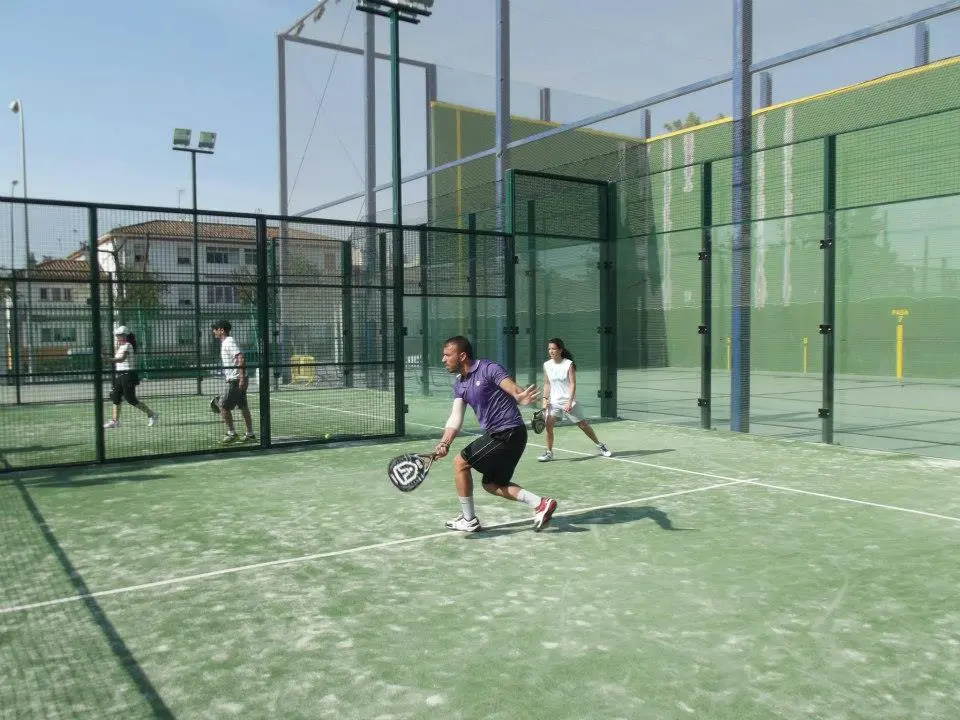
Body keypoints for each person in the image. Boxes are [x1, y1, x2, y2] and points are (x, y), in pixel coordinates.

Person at [433, 335, 558, 533]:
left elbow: (512, 388)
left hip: (506, 432)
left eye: (447, 355)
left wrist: (519, 395)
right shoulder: (460, 384)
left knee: (460, 463)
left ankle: (469, 520)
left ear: (462, 356)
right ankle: (541, 504)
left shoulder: (488, 369)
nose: (443, 359)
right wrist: (444, 442)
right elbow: (455, 418)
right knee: (492, 484)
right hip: (508, 435)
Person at [537, 337, 612, 462]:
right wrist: (545, 399)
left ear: (560, 350)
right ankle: (549, 452)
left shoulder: (568, 364)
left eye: (554, 349)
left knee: (583, 425)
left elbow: (572, 384)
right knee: (548, 425)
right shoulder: (547, 365)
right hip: (554, 402)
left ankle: (600, 445)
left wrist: (569, 401)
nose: (551, 351)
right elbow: (547, 384)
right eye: (549, 349)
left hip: (568, 401)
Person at [103, 326, 158, 429]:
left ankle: (152, 415)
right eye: (117, 335)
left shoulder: (128, 345)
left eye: (120, 335)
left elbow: (121, 359)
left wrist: (107, 359)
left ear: (125, 336)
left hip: (128, 375)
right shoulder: (119, 346)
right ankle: (115, 421)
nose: (118, 337)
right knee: (115, 397)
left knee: (131, 399)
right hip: (119, 375)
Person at [211, 319, 255, 444]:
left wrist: (241, 378)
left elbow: (240, 358)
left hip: (235, 380)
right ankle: (250, 434)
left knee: (222, 406)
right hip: (238, 379)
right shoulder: (226, 342)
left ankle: (232, 433)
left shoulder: (228, 342)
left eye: (215, 329)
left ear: (221, 330)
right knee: (243, 406)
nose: (214, 331)